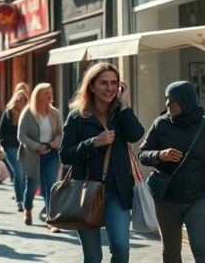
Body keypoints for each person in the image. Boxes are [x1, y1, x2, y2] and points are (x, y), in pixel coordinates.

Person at [60, 62, 145, 263]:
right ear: (91, 86)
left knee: (122, 248)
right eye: (104, 83)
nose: (110, 88)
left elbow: (136, 135)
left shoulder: (120, 114)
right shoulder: (77, 117)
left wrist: (125, 106)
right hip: (85, 192)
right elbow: (65, 154)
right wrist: (94, 143)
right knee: (93, 257)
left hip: (117, 192)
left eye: (114, 83)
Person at [138, 81, 205, 263]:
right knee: (171, 250)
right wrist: (160, 155)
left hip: (199, 197)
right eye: (166, 99)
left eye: (172, 100)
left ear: (185, 101)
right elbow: (142, 154)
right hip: (166, 198)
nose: (167, 104)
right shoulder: (160, 124)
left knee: (202, 250)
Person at [18, 82, 62, 231]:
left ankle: (52, 220)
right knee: (31, 186)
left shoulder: (55, 113)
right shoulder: (28, 113)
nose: (50, 96)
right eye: (46, 93)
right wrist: (36, 146)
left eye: (51, 92)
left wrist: (57, 140)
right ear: (38, 96)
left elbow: (61, 132)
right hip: (33, 155)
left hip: (51, 154)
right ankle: (28, 208)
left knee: (51, 186)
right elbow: (21, 135)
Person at [0, 89, 29, 211]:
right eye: (19, 98)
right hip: (11, 147)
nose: (21, 101)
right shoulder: (9, 113)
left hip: (26, 147)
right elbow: (1, 132)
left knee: (26, 173)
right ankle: (20, 201)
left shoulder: (28, 113)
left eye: (24, 99)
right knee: (18, 172)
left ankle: (26, 199)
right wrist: (4, 145)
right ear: (15, 99)